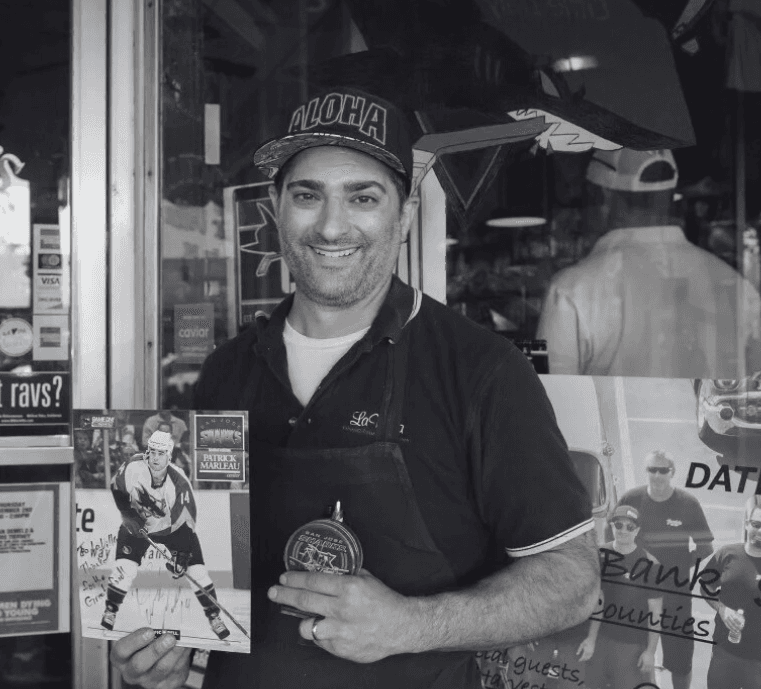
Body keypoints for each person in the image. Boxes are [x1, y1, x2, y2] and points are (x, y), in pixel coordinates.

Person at [110, 86, 599, 689]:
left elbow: (573, 581)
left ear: (404, 215)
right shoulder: (228, 370)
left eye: (363, 197)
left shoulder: (481, 370)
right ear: (276, 208)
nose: (331, 225)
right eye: (307, 195)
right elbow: (194, 568)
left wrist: (410, 625)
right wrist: (167, 654)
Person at [536, 147, 761, 379]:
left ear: (601, 196)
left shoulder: (570, 290)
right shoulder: (737, 287)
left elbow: (547, 393)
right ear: (671, 197)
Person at [100, 430, 231, 640]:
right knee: (124, 567)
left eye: (160, 453)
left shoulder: (179, 483)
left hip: (173, 530)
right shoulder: (133, 466)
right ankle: (111, 610)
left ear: (169, 456)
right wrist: (128, 514)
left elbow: (187, 525)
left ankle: (214, 616)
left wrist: (183, 555)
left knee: (197, 571)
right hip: (137, 525)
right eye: (152, 452)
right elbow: (116, 487)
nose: (155, 457)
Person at [617, 449, 715, 689]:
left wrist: (679, 565)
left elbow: (705, 547)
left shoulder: (687, 504)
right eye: (652, 469)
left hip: (675, 593)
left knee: (681, 661)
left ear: (672, 472)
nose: (657, 475)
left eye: (663, 470)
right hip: (637, 592)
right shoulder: (631, 499)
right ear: (646, 471)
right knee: (637, 654)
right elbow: (614, 538)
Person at [578, 505, 663, 689]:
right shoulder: (599, 555)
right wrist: (591, 639)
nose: (623, 530)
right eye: (618, 525)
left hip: (631, 645)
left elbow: (655, 613)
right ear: (612, 526)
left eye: (630, 527)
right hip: (599, 640)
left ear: (637, 531)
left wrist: (650, 652)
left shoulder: (650, 564)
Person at [699, 496, 761, 689]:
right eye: (756, 524)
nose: (760, 531)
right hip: (724, 653)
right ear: (747, 524)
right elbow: (705, 586)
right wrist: (722, 609)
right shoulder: (727, 554)